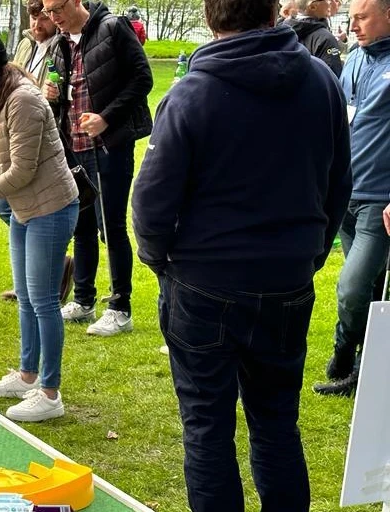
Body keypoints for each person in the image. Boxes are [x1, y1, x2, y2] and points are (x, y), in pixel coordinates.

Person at [131, 0, 351, 508]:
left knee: (210, 429)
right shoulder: (316, 82)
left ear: (211, 18)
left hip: (212, 282)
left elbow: (151, 200)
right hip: (272, 277)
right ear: (274, 12)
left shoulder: (198, 93)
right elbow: (340, 181)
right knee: (274, 424)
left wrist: (160, 259)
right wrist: (310, 251)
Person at [0, 10, 79, 421]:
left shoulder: (23, 99)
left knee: (43, 300)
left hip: (52, 206)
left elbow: (21, 169)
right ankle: (26, 376)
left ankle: (50, 392)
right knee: (26, 296)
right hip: (26, 208)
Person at [44, 0, 153, 336]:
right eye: (49, 12)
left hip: (110, 145)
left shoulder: (113, 28)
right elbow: (68, 92)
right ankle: (83, 299)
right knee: (82, 224)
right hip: (74, 146)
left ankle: (121, 307)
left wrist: (107, 117)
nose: (54, 16)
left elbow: (142, 79)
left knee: (113, 226)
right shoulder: (60, 43)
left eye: (58, 8)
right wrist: (53, 94)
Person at [313, 0, 390, 397]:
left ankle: (344, 355)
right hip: (346, 193)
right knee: (372, 291)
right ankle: (363, 374)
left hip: (381, 201)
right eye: (352, 18)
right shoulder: (357, 58)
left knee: (352, 288)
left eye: (362, 17)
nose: (352, 25)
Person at [0, 0, 59, 301]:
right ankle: (33, 279)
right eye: (33, 17)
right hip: (17, 134)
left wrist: (57, 95)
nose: (37, 24)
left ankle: (42, 279)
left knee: (27, 208)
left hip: (49, 140)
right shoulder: (25, 45)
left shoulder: (61, 47)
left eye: (43, 17)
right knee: (9, 206)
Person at [284, 0, 343, 76]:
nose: (329, 2)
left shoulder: (283, 32)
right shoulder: (326, 38)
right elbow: (333, 77)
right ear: (313, 7)